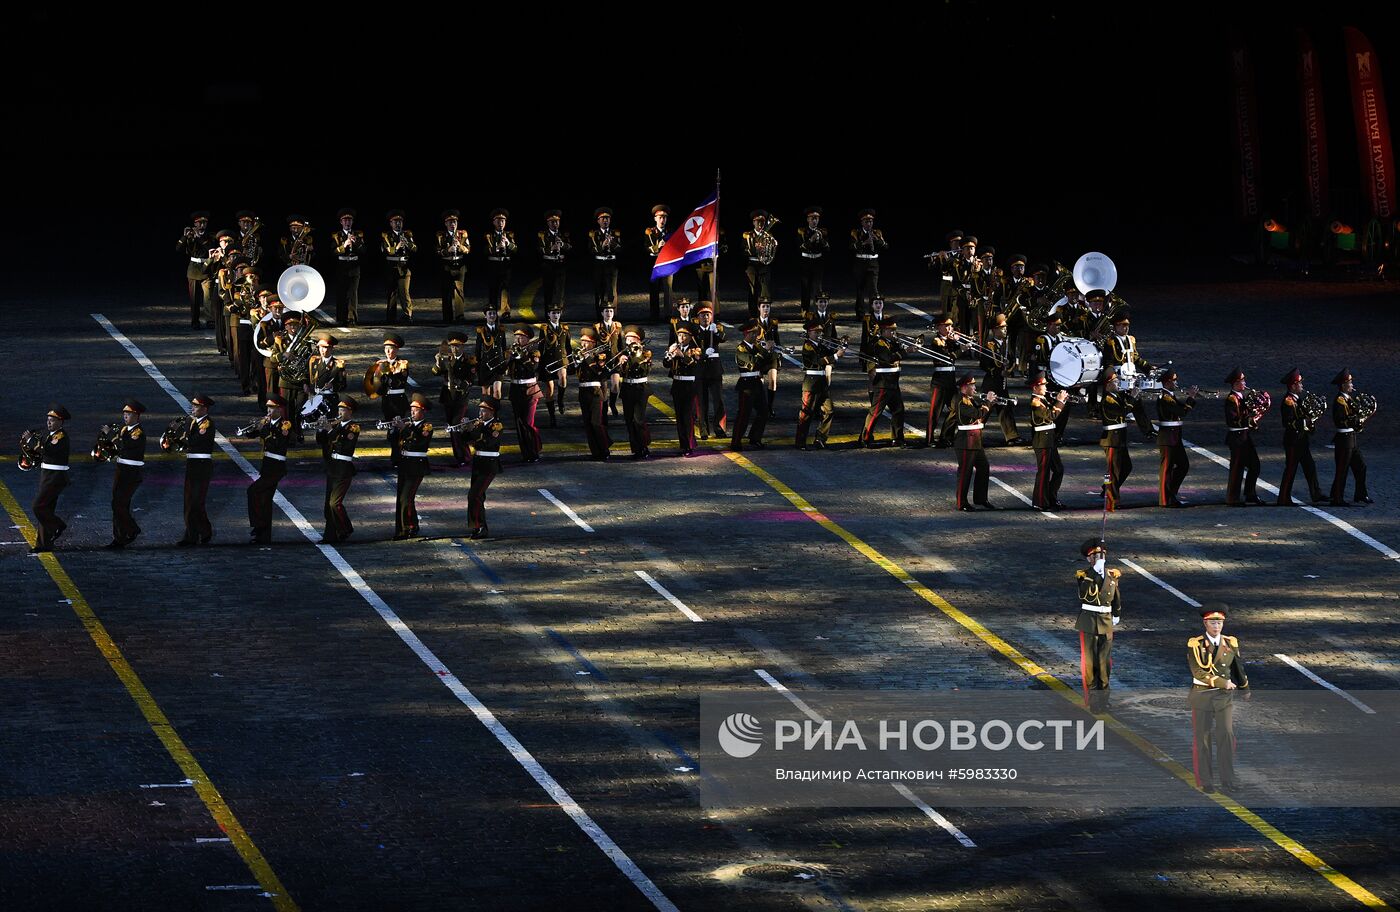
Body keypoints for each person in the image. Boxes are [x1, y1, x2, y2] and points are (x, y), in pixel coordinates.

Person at [1188, 604, 1248, 793]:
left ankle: (1228, 778)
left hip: (1223, 698)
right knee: (1203, 739)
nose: (1217, 626)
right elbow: (1198, 672)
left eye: (1220, 622)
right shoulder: (1195, 644)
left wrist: (1245, 687)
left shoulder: (1230, 643)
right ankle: (1206, 780)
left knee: (1227, 736)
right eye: (1213, 622)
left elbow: (1237, 667)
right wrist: (1223, 683)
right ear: (1205, 623)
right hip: (1202, 695)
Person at [1075, 539, 1122, 713]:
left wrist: (1116, 614)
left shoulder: (1112, 575)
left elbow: (1116, 595)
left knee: (1105, 663)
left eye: (1101, 555)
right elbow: (1084, 596)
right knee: (1090, 663)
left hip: (1106, 620)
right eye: (1095, 556)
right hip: (1089, 620)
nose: (1099, 558)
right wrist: (1095, 573)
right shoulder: (1084, 575)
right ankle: (1094, 700)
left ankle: (1104, 699)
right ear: (1089, 559)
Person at [243, 394, 293, 545]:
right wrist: (252, 429)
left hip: (276, 467)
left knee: (253, 491)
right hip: (267, 466)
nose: (269, 410)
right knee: (264, 500)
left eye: (272, 408)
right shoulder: (266, 423)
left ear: (279, 409)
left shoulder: (285, 425)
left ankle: (258, 526)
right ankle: (263, 536)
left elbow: (277, 443)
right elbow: (251, 435)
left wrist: (263, 428)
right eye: (268, 407)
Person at [172, 394, 216, 546]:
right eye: (193, 405)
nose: (193, 408)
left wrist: (178, 437)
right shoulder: (192, 422)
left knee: (196, 502)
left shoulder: (207, 424)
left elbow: (195, 441)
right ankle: (194, 535)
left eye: (196, 406)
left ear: (204, 408)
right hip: (192, 464)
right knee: (189, 501)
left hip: (202, 465)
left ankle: (202, 532)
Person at [1277, 368, 1325, 505]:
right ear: (1293, 385)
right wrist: (1306, 422)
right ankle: (1283, 498)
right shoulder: (1288, 401)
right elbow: (1288, 422)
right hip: (1293, 440)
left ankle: (1316, 493)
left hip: (1302, 439)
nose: (1302, 386)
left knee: (1310, 466)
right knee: (1291, 468)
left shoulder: (1298, 399)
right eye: (1300, 384)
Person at [795, 319, 845, 450]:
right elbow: (817, 360)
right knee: (806, 413)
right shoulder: (808, 345)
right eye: (816, 332)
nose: (819, 334)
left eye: (820, 332)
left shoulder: (820, 345)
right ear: (809, 332)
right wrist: (836, 356)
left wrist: (841, 346)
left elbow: (830, 354)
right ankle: (800, 442)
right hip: (811, 382)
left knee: (829, 411)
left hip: (822, 382)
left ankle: (820, 439)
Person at [28, 404, 72, 552]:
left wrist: (30, 441)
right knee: (46, 509)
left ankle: (57, 526)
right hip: (48, 475)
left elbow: (48, 451)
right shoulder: (51, 435)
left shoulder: (60, 437)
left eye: (52, 420)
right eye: (48, 420)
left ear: (60, 421)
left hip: (55, 477)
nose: (48, 423)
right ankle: (44, 544)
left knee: (38, 506)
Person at [105, 399, 147, 549]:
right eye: (124, 414)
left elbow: (124, 446)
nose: (125, 416)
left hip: (131, 473)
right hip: (121, 470)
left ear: (136, 415)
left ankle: (131, 529)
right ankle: (119, 538)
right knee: (118, 504)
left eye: (128, 414)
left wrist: (110, 436)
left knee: (118, 504)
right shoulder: (124, 430)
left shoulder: (137, 433)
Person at [319, 396, 360, 543]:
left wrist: (330, 430)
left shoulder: (353, 428)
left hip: (343, 469)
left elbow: (345, 446)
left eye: (343, 410)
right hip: (332, 468)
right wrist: (321, 429)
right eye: (339, 410)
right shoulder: (337, 426)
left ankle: (345, 529)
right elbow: (322, 442)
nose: (340, 413)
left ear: (350, 412)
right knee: (327, 507)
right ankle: (330, 536)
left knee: (334, 503)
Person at [952, 374, 995, 511]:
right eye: (972, 385)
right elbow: (977, 414)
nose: (975, 388)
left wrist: (990, 404)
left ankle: (981, 499)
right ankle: (962, 503)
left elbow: (981, 418)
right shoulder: (960, 401)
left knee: (984, 467)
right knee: (965, 472)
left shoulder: (970, 400)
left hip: (975, 441)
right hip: (965, 442)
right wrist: (987, 402)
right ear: (965, 387)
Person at [730, 319, 774, 452]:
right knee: (743, 415)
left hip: (757, 383)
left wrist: (770, 352)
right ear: (746, 334)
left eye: (756, 333)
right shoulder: (741, 349)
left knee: (764, 412)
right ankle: (736, 442)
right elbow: (754, 363)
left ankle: (755, 438)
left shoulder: (757, 347)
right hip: (746, 385)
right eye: (753, 333)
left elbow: (766, 364)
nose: (756, 336)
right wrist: (764, 351)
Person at [1328, 368, 1371, 506]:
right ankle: (1337, 498)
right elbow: (1340, 420)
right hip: (1344, 439)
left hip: (1351, 438)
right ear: (1343, 385)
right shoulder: (1340, 400)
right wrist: (1356, 420)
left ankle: (1360, 494)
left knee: (1361, 466)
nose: (1352, 385)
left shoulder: (1348, 399)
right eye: (1350, 383)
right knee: (1342, 469)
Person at [394, 393, 434, 539]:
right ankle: (409, 526)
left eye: (415, 410)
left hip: (417, 465)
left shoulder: (427, 427)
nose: (412, 412)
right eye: (411, 410)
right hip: (405, 464)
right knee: (402, 498)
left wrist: (403, 428)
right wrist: (394, 429)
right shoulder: (409, 425)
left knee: (406, 497)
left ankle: (409, 527)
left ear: (422, 411)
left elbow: (418, 442)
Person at [860, 316, 905, 447]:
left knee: (899, 410)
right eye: (891, 330)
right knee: (875, 413)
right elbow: (888, 358)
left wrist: (902, 346)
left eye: (894, 330)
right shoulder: (879, 343)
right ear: (884, 331)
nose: (894, 333)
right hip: (883, 384)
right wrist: (905, 351)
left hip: (893, 383)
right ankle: (865, 438)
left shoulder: (892, 343)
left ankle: (897, 438)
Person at [1156, 369, 1197, 507]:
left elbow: (1182, 408)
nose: (1176, 383)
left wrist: (1191, 398)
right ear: (1167, 382)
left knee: (1183, 465)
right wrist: (1190, 398)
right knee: (1166, 469)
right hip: (1168, 437)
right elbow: (1182, 412)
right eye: (1174, 381)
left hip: (1174, 437)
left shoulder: (1170, 396)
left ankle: (1171, 493)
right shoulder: (1165, 398)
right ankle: (1165, 499)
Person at [1223, 367, 1265, 506]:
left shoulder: (1241, 398)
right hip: (1237, 437)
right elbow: (1233, 420)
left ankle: (1250, 493)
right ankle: (1232, 498)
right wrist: (1249, 418)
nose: (1245, 383)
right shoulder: (1231, 399)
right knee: (1237, 469)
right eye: (1242, 381)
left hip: (1245, 436)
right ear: (1236, 383)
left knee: (1255, 465)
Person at [433, 331, 476, 465]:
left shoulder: (469, 360)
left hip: (460, 397)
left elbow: (471, 378)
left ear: (462, 347)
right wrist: (438, 362)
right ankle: (459, 456)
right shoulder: (447, 359)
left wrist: (460, 384)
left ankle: (465, 456)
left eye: (457, 346)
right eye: (452, 346)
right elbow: (435, 372)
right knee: (452, 427)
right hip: (447, 396)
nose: (454, 348)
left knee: (457, 426)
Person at [978, 313, 1021, 444]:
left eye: (1005, 327)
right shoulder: (989, 345)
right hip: (991, 381)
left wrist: (1009, 370)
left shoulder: (1007, 343)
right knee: (986, 409)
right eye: (1002, 328)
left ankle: (1011, 436)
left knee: (1005, 407)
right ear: (995, 329)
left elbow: (1012, 359)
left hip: (1002, 380)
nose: (1005, 330)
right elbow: (983, 364)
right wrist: (997, 372)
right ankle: (973, 432)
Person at [465, 397, 504, 539]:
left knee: (474, 495)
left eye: (483, 411)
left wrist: (474, 430)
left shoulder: (496, 426)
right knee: (478, 496)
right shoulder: (479, 425)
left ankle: (480, 526)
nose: (480, 413)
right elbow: (468, 441)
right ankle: (478, 527)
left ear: (491, 412)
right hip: (478, 463)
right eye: (480, 410)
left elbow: (487, 442)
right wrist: (466, 430)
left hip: (489, 464)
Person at [1029, 373, 1069, 510]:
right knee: (1044, 472)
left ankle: (1051, 497)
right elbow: (1051, 415)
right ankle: (1039, 501)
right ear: (1035, 387)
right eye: (1043, 385)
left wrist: (1060, 401)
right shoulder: (1036, 402)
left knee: (1058, 469)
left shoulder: (1043, 399)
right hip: (1042, 441)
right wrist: (1061, 401)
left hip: (1050, 439)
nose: (1046, 387)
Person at [664, 321, 703, 457]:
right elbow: (665, 364)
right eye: (679, 334)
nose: (681, 337)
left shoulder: (695, 349)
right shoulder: (675, 347)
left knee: (687, 417)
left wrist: (682, 355)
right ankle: (683, 444)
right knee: (679, 417)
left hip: (689, 386)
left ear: (690, 336)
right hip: (677, 386)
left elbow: (694, 365)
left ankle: (689, 445)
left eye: (684, 335)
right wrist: (669, 353)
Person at [506, 325, 543, 463]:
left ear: (528, 339)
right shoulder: (512, 351)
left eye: (521, 337)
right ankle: (525, 453)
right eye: (516, 337)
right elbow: (503, 368)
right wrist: (509, 358)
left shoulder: (534, 351)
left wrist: (521, 357)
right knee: (519, 424)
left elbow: (533, 367)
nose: (518, 340)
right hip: (516, 389)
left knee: (528, 422)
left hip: (530, 389)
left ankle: (534, 451)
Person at [374, 334, 412, 467]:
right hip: (387, 401)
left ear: (397, 350)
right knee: (391, 429)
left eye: (391, 349)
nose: (388, 352)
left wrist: (387, 374)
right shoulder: (380, 364)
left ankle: (397, 458)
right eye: (386, 349)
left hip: (398, 401)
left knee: (397, 430)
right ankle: (397, 454)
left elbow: (400, 380)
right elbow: (377, 389)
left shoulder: (402, 364)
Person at [575, 328, 612, 460]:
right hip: (583, 391)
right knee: (587, 423)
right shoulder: (578, 354)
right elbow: (571, 371)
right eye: (582, 341)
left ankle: (605, 448)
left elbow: (601, 373)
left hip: (595, 392)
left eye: (586, 342)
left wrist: (588, 358)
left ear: (593, 343)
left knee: (596, 422)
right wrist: (577, 361)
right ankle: (595, 451)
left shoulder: (600, 355)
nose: (583, 344)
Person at [923, 315, 960, 447]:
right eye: (946, 326)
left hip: (951, 379)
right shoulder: (936, 341)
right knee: (934, 412)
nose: (950, 328)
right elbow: (947, 357)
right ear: (939, 327)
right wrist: (956, 344)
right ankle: (929, 439)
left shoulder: (950, 340)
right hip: (939, 381)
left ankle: (946, 436)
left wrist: (957, 343)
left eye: (950, 325)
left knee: (957, 408)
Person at [1100, 368, 1133, 512]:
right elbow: (1122, 411)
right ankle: (1112, 499)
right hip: (1112, 439)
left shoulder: (1116, 395)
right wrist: (1133, 398)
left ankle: (1107, 489)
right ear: (1108, 384)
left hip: (1119, 439)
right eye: (1115, 381)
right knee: (1113, 471)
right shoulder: (1108, 399)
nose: (1118, 382)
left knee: (1126, 467)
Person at [617, 326, 653, 459]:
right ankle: (636, 448)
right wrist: (621, 363)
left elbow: (645, 369)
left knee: (639, 420)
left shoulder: (645, 353)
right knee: (629, 420)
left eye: (631, 339)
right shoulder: (624, 354)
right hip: (627, 389)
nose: (628, 341)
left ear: (638, 340)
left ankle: (644, 446)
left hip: (640, 389)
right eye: (626, 339)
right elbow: (620, 373)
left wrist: (637, 356)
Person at [693, 303, 727, 438]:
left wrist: (716, 332)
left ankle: (719, 428)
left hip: (714, 370)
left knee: (718, 401)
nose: (706, 317)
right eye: (703, 315)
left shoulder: (716, 329)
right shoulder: (695, 331)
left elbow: (724, 338)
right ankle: (704, 430)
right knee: (702, 402)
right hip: (700, 370)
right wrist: (703, 354)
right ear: (698, 317)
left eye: (708, 315)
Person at [177, 211, 214, 330]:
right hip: (193, 269)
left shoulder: (210, 236)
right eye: (199, 223)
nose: (202, 225)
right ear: (195, 224)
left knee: (207, 298)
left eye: (204, 223)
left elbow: (208, 248)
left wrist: (198, 237)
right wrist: (185, 236)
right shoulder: (190, 235)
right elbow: (178, 248)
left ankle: (209, 320)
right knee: (194, 298)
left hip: (206, 268)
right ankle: (195, 321)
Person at [537, 305, 571, 427]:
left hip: (561, 358)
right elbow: (541, 346)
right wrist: (539, 362)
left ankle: (561, 400)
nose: (556, 315)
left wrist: (571, 361)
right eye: (553, 313)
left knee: (563, 378)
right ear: (549, 315)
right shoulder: (545, 329)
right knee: (550, 389)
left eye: (558, 313)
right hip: (548, 360)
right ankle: (552, 416)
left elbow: (568, 346)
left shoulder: (565, 328)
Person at [382, 209, 417, 324]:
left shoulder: (407, 234)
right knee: (391, 293)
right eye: (395, 221)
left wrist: (407, 243)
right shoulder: (386, 235)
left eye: (400, 221)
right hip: (391, 267)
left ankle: (408, 315)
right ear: (391, 223)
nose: (398, 224)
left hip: (404, 267)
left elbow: (415, 249)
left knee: (404, 292)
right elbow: (385, 250)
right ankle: (391, 317)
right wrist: (397, 247)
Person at [850, 208, 887, 316]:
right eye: (866, 221)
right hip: (860, 264)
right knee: (860, 290)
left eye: (871, 221)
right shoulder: (856, 233)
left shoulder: (877, 233)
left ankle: (874, 313)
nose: (869, 223)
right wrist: (864, 242)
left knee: (874, 290)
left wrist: (877, 240)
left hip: (873, 264)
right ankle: (860, 313)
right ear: (862, 222)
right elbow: (851, 247)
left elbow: (886, 246)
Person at [331, 209, 364, 326]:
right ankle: (341, 317)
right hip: (341, 266)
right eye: (345, 220)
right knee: (341, 293)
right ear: (341, 222)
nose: (347, 222)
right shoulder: (336, 235)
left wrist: (356, 244)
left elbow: (364, 250)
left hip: (354, 266)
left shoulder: (358, 234)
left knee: (352, 293)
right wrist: (343, 246)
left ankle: (352, 318)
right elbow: (333, 252)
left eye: (349, 220)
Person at [437, 209, 470, 324]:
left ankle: (460, 316)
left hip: (459, 265)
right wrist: (448, 250)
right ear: (446, 223)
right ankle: (447, 317)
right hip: (446, 266)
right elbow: (437, 251)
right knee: (446, 292)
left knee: (459, 291)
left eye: (454, 222)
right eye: (450, 222)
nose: (453, 224)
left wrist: (459, 246)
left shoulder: (463, 234)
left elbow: (467, 249)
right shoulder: (440, 235)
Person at [743, 210, 778, 318]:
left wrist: (773, 246)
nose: (760, 224)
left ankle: (764, 314)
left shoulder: (769, 235)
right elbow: (743, 250)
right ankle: (753, 314)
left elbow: (771, 252)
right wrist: (755, 248)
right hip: (752, 265)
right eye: (757, 221)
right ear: (753, 222)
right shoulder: (747, 235)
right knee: (752, 290)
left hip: (764, 265)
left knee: (765, 291)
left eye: (762, 222)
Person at [483, 208, 517, 318]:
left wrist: (508, 244)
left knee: (505, 288)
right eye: (498, 221)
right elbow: (484, 250)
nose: (500, 223)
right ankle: (492, 311)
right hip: (493, 265)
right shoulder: (489, 235)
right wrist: (496, 248)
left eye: (503, 221)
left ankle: (505, 312)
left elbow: (516, 249)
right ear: (493, 222)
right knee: (493, 288)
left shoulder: (509, 235)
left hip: (505, 265)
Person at [796, 206, 829, 315]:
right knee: (805, 288)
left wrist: (822, 240)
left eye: (816, 219)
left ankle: (818, 312)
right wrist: (811, 239)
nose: (814, 221)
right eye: (812, 218)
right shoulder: (802, 231)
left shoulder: (823, 232)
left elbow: (827, 248)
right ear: (808, 220)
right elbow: (800, 248)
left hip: (817, 262)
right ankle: (805, 311)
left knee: (817, 288)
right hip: (805, 261)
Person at [590, 207, 621, 318]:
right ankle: (600, 316)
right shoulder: (593, 234)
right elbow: (590, 249)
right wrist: (602, 246)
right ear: (598, 221)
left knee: (612, 290)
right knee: (599, 290)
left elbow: (620, 249)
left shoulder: (615, 233)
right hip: (599, 264)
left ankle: (613, 316)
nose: (605, 220)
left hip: (611, 263)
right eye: (602, 218)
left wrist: (611, 243)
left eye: (607, 218)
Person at [539, 209, 570, 314]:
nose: (555, 224)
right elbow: (539, 248)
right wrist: (551, 249)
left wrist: (562, 245)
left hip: (560, 265)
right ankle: (549, 314)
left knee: (560, 291)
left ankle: (558, 314)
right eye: (552, 222)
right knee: (549, 290)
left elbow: (570, 247)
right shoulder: (542, 235)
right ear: (548, 223)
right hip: (548, 265)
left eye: (557, 221)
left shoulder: (564, 234)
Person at [645, 204, 672, 322]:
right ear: (655, 219)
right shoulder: (649, 232)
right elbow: (646, 247)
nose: (662, 220)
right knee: (654, 289)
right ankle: (654, 315)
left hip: (667, 263)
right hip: (655, 263)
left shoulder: (670, 231)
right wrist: (657, 246)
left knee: (668, 289)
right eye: (660, 217)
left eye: (664, 217)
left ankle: (668, 315)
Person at [476, 306, 507, 401]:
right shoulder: (482, 331)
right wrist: (477, 364)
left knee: (497, 392)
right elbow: (478, 349)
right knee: (486, 392)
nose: (492, 315)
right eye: (490, 313)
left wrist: (506, 363)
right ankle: (486, 414)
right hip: (486, 364)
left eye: (494, 313)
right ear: (485, 316)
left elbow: (504, 347)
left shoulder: (501, 330)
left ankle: (496, 414)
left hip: (498, 364)